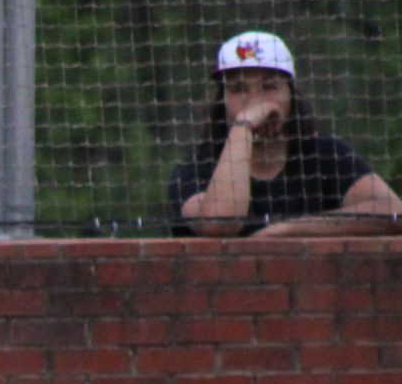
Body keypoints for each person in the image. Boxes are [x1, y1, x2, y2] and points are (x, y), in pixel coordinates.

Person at [171, 31, 401, 238]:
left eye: (269, 87)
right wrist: (243, 127)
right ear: (222, 101)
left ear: (291, 94)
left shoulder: (325, 154)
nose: (254, 100)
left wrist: (286, 230)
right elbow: (220, 224)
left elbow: (394, 213)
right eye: (238, 89)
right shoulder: (196, 167)